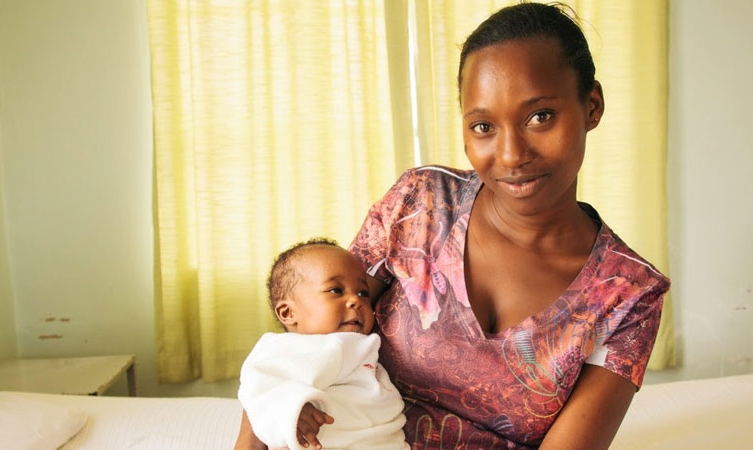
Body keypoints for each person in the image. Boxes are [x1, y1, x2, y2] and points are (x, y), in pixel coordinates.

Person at [238, 2, 669, 449]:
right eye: (483, 125)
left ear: (592, 106)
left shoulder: (628, 294)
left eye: (539, 117)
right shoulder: (420, 203)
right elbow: (305, 342)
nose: (510, 155)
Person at [237, 238, 409, 450]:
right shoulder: (286, 350)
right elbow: (260, 391)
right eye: (336, 290)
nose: (356, 300)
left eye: (363, 292)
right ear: (288, 312)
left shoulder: (365, 348)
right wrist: (291, 410)